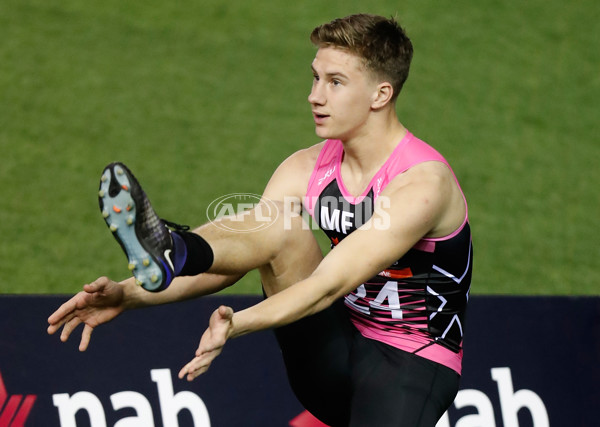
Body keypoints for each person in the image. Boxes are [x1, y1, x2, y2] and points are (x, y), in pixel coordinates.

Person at [48, 14, 473, 427]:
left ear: (380, 95)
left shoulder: (421, 185)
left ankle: (175, 251)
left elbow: (327, 286)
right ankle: (174, 251)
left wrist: (237, 324)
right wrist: (126, 295)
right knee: (276, 224)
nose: (314, 95)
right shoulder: (304, 167)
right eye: (315, 77)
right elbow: (240, 260)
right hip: (331, 351)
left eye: (335, 82)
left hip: (411, 366)